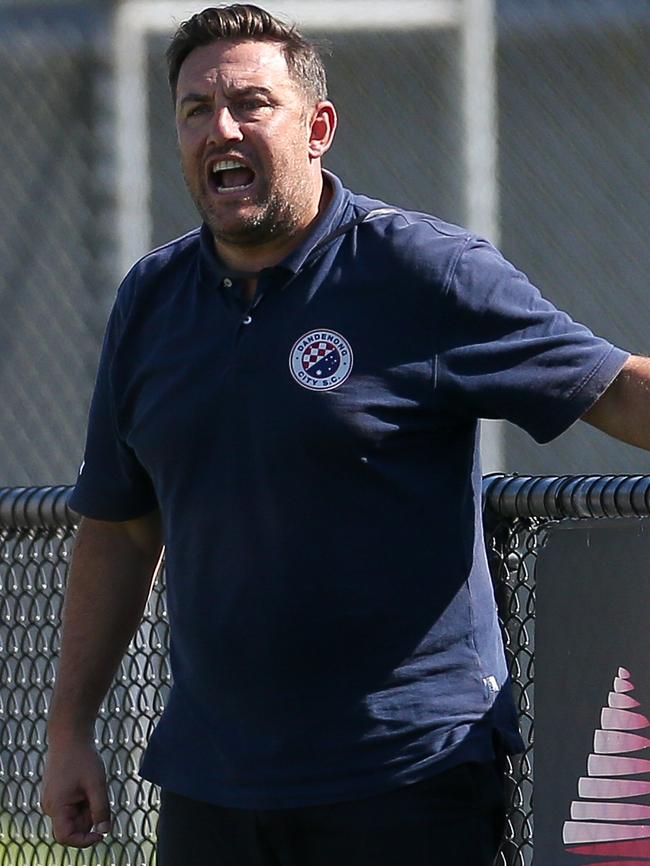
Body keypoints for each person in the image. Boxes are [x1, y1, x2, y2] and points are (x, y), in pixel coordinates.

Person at [41, 5, 650, 865]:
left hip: (402, 778)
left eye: (252, 103)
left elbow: (614, 390)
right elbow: (118, 524)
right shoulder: (149, 301)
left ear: (318, 126)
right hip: (212, 787)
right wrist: (70, 729)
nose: (221, 127)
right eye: (195, 109)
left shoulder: (421, 270)